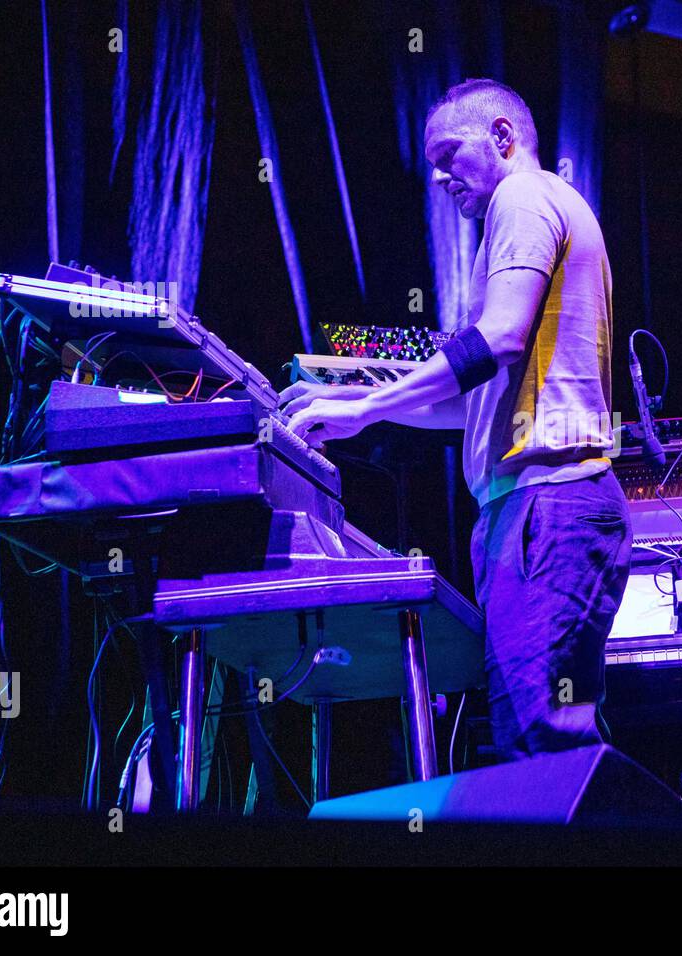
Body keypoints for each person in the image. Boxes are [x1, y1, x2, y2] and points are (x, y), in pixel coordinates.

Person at [281, 78, 631, 761]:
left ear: (503, 138)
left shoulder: (522, 198)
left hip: (547, 505)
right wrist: (359, 414)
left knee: (542, 744)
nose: (439, 177)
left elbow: (496, 337)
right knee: (538, 741)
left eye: (450, 154)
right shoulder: (539, 207)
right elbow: (473, 395)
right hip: (535, 509)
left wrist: (365, 403)